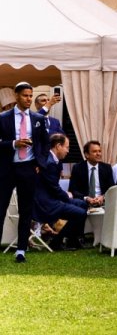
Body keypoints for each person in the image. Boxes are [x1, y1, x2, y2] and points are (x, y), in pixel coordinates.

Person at [0, 82, 51, 263]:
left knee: (26, 210)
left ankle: (21, 249)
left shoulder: (38, 118)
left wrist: (40, 163)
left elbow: (46, 144)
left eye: (31, 95)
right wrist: (14, 144)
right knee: (1, 208)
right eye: (25, 96)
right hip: (7, 169)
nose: (29, 99)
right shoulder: (3, 117)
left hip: (28, 168)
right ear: (16, 96)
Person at [34, 134, 88, 250]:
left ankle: (74, 240)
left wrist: (68, 198)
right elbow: (54, 188)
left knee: (82, 204)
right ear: (58, 146)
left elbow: (53, 187)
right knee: (81, 213)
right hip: (45, 204)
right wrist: (67, 198)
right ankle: (57, 242)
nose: (68, 151)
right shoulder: (49, 163)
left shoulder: (53, 160)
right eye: (67, 147)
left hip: (50, 198)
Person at [68, 140, 114, 207]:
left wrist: (103, 197)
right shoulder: (77, 168)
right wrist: (86, 198)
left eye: (99, 151)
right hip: (84, 203)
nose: (98, 154)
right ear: (87, 155)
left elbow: (111, 188)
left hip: (103, 203)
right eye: (95, 151)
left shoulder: (107, 168)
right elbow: (73, 190)